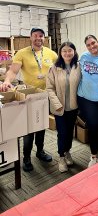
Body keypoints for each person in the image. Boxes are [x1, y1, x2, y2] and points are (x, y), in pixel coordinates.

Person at [0, 28, 58, 172]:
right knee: (28, 129)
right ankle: (26, 157)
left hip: (45, 95)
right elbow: (13, 71)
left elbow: (59, 69)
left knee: (41, 126)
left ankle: (40, 151)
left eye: (41, 36)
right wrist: (7, 81)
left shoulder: (51, 53)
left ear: (44, 38)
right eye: (35, 36)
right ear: (30, 37)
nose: (38, 38)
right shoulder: (22, 53)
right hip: (29, 96)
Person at [77, 34, 98, 167]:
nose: (92, 46)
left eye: (93, 43)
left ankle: (97, 151)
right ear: (86, 47)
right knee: (93, 125)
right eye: (89, 45)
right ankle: (93, 156)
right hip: (86, 98)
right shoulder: (84, 57)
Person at [46, 42, 81, 172]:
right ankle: (61, 157)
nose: (67, 53)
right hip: (59, 108)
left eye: (70, 50)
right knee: (62, 132)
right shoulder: (54, 68)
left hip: (73, 107)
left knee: (70, 132)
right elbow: (49, 88)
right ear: (60, 53)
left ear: (74, 51)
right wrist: (57, 104)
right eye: (64, 51)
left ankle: (67, 152)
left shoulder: (78, 67)